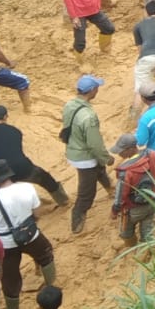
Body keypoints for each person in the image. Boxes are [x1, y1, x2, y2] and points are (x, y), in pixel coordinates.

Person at [0, 159, 55, 309]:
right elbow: (37, 213)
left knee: (10, 278)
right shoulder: (27, 187)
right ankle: (51, 288)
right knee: (46, 254)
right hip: (30, 234)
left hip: (6, 244)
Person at [0, 105, 68, 206]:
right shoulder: (15, 131)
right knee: (46, 179)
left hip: (0, 173)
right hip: (23, 167)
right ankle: (63, 201)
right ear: (5, 117)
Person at [62, 75, 112, 234]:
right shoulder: (88, 117)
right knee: (87, 192)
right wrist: (107, 158)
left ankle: (110, 189)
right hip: (85, 157)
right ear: (91, 90)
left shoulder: (70, 105)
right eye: (97, 88)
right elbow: (94, 144)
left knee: (100, 170)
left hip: (73, 149)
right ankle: (77, 218)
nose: (98, 90)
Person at [109, 133, 155, 247]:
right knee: (147, 231)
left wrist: (114, 211)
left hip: (133, 209)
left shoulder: (125, 171)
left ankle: (131, 248)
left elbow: (120, 196)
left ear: (131, 149)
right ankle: (148, 251)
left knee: (126, 233)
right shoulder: (150, 155)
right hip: (151, 202)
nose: (119, 153)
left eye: (121, 151)